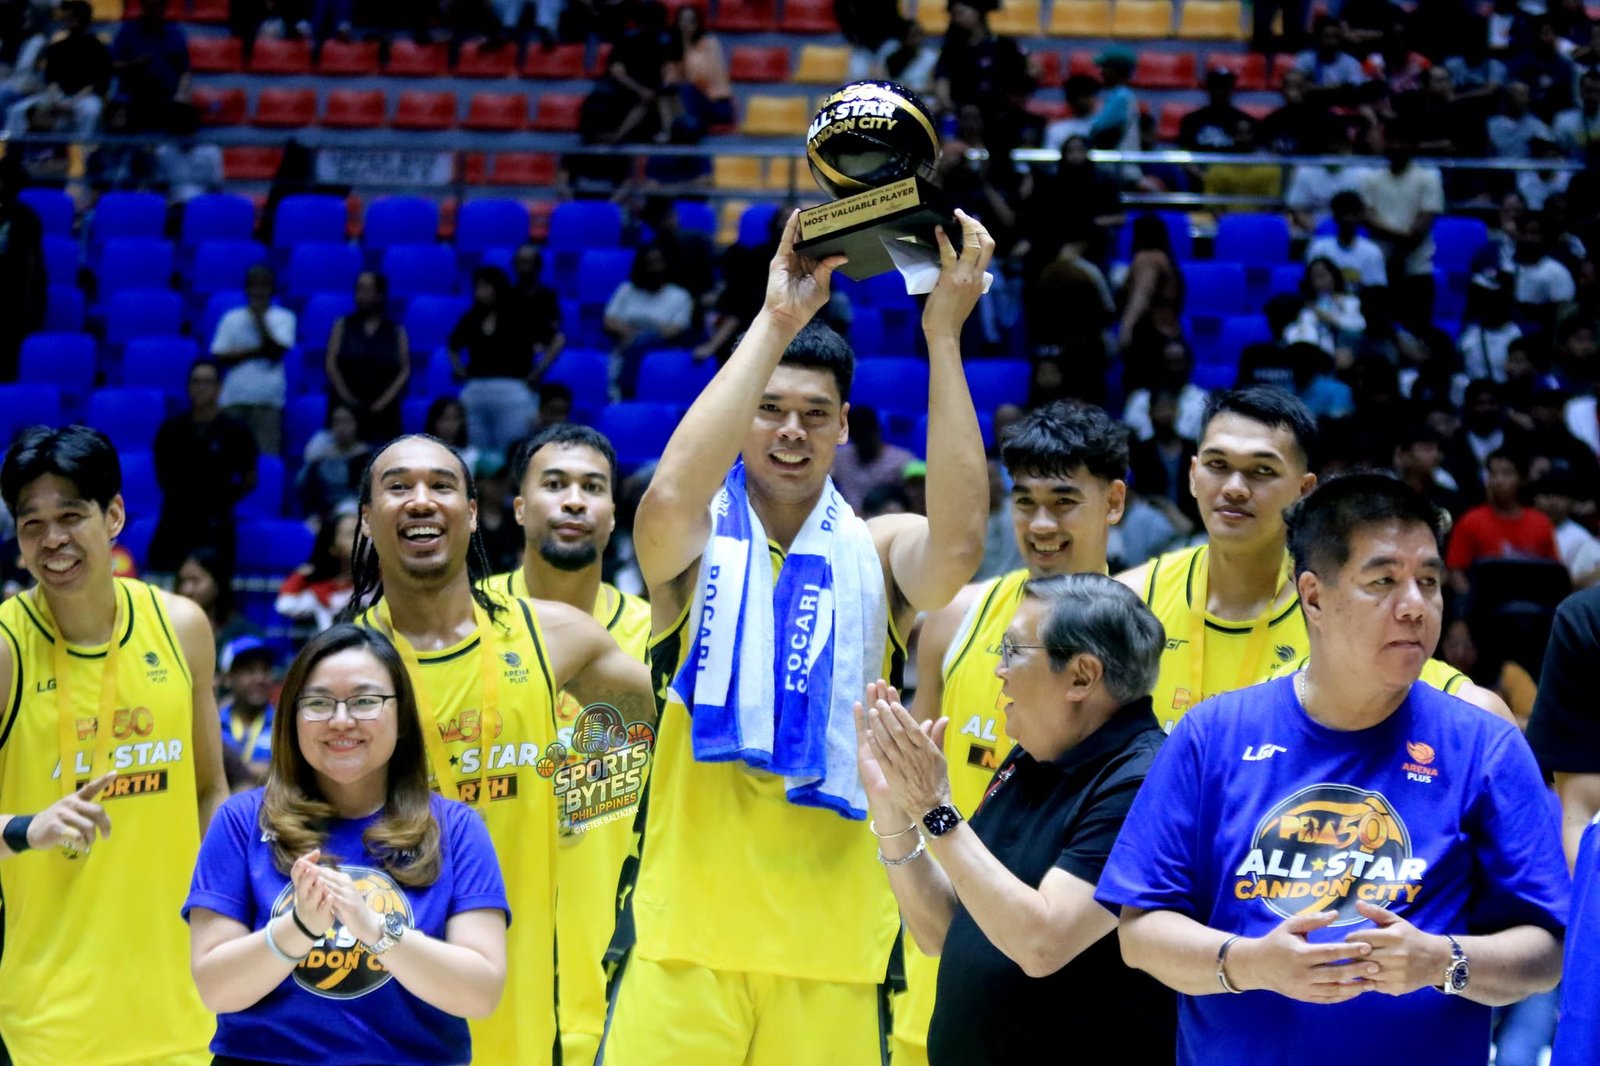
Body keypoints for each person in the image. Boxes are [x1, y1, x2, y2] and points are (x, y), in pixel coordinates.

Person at [601, 209, 993, 1065]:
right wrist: (777, 319)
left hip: (834, 950)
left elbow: (960, 547)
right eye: (770, 408)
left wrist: (944, 338)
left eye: (815, 414)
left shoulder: (879, 552)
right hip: (683, 945)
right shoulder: (692, 548)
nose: (790, 431)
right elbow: (666, 501)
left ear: (844, 425)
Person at [1097, 473, 1569, 1066]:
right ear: (1314, 597)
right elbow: (1140, 932)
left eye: (1428, 581)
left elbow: (1546, 951)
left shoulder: (1485, 745)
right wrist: (1249, 964)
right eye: (1384, 581)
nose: (1415, 606)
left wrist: (1441, 961)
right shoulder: (1212, 734)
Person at [341, 431, 654, 1064]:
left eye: (441, 485)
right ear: (367, 519)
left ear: (472, 512)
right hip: (395, 1001)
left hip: (547, 997)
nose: (421, 500)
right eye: (399, 487)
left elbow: (687, 732)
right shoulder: (341, 666)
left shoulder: (556, 637)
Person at [889, 401, 1131, 1066]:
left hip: (1075, 989)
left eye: (1064, 501)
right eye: (1025, 502)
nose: (1042, 524)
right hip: (943, 971)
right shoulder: (955, 621)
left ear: (1113, 502)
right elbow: (909, 788)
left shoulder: (1141, 642)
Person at [860, 574, 1174, 1066]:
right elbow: (942, 928)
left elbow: (1042, 943)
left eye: (1013, 651)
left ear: (1082, 676)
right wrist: (892, 806)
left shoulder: (1144, 782)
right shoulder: (1032, 755)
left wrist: (935, 810)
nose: (999, 670)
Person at [0, 425, 228, 1064]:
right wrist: (27, 828)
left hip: (184, 1011)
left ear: (115, 515)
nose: (53, 540)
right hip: (48, 1021)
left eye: (71, 516)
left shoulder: (181, 627)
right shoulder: (6, 650)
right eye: (32, 524)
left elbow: (208, 789)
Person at [185, 624, 511, 1066]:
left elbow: (481, 992)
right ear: (292, 717)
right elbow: (215, 988)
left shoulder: (456, 828)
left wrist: (376, 930)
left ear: (401, 716)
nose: (341, 720)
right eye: (319, 703)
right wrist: (299, 927)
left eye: (364, 701)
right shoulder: (241, 821)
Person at [1117, 387, 1516, 729]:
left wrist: (1481, 706)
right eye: (1217, 465)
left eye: (1262, 471)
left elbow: (1434, 688)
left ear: (1305, 490)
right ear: (1192, 475)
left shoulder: (1336, 603)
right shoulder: (1129, 602)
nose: (1235, 488)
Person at [487, 423, 651, 1064]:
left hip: (616, 967)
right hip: (484, 960)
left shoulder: (657, 637)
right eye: (554, 484)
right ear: (519, 507)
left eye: (592, 487)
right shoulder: (464, 622)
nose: (574, 500)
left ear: (613, 514)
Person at [151, 358, 260, 575]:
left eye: (207, 382)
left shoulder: (236, 432)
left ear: (219, 388)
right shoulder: (170, 430)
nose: (200, 388)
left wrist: (224, 497)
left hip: (216, 525)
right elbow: (162, 475)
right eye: (195, 381)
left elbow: (249, 478)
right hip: (174, 522)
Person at [1445, 448, 1562, 589]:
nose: (1498, 480)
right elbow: (1455, 571)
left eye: (1507, 474)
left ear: (1522, 479)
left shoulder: (1541, 523)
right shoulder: (1470, 521)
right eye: (1493, 474)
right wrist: (1469, 597)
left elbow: (1553, 571)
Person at [449, 266, 535, 458]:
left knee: (511, 451)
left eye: (485, 286)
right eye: (477, 287)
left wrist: (537, 372)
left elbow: (556, 339)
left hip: (511, 389)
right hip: (476, 388)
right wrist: (459, 369)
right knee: (476, 453)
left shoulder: (519, 314)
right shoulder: (471, 317)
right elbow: (452, 345)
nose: (480, 292)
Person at [213, 265, 298, 457]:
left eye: (264, 285)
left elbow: (275, 352)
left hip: (268, 401)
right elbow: (221, 356)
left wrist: (260, 321)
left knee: (265, 460)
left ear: (272, 288)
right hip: (233, 399)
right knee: (230, 458)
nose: (258, 291)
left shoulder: (285, 317)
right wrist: (259, 351)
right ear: (246, 288)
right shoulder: (230, 318)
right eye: (253, 285)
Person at [326, 271, 410, 447]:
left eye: (366, 290)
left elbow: (404, 370)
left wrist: (383, 402)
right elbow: (331, 363)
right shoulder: (342, 325)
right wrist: (346, 397)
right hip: (346, 405)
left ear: (380, 294)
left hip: (385, 408)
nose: (360, 295)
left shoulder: (396, 331)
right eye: (358, 290)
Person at [4, 0, 107, 138]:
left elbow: (96, 83)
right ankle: (14, 149)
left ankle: (80, 149)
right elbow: (51, 79)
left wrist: (72, 102)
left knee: (91, 110)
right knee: (17, 110)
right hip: (56, 95)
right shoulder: (56, 47)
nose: (68, 22)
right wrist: (57, 98)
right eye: (67, 18)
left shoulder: (98, 48)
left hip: (84, 97)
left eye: (73, 18)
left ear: (84, 19)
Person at [603, 244, 694, 401]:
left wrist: (639, 336)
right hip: (623, 346)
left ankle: (628, 392)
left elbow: (675, 330)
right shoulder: (626, 290)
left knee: (641, 343)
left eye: (659, 263)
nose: (654, 269)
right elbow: (609, 320)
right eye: (650, 263)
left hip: (659, 351)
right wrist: (630, 334)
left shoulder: (680, 296)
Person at [109, 0, 190, 133]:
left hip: (167, 97)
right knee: (116, 122)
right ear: (144, 6)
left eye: (159, 6)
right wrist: (132, 65)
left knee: (186, 119)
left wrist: (181, 94)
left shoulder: (175, 33)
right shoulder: (127, 31)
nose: (155, 10)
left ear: (164, 8)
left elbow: (185, 71)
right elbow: (112, 65)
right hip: (134, 97)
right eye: (151, 6)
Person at [275, 508, 358, 631]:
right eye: (352, 534)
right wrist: (301, 575)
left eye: (366, 531)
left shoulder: (381, 582)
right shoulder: (319, 592)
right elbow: (284, 605)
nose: (363, 538)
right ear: (332, 547)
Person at [178, 544, 262, 658]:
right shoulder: (171, 629)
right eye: (182, 581)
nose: (186, 590)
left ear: (218, 582)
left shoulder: (243, 633)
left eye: (195, 580)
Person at [217, 634, 279, 782]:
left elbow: (289, 776)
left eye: (265, 670)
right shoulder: (213, 725)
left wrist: (232, 771)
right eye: (249, 671)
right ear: (228, 678)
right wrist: (261, 770)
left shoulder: (284, 725)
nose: (259, 678)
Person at [831, 406, 916, 514]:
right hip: (846, 519)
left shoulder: (902, 460)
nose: (863, 443)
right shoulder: (839, 458)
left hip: (885, 519)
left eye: (866, 436)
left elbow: (915, 498)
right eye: (858, 438)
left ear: (878, 430)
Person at [1304, 191, 1389, 290]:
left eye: (1352, 214)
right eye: (1343, 214)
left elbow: (1377, 289)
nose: (1348, 219)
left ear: (1360, 216)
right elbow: (1311, 286)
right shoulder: (1319, 248)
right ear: (1335, 217)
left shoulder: (1372, 252)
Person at [296, 403, 369, 517]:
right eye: (336, 422)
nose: (341, 428)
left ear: (357, 424)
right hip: (324, 513)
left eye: (346, 421)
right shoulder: (321, 457)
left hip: (355, 512)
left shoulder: (369, 457)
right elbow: (303, 488)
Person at [509, 243, 565, 384]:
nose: (524, 267)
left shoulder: (548, 296)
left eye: (529, 262)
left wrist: (540, 345)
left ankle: (536, 374)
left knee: (560, 339)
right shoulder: (506, 295)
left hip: (541, 344)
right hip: (514, 344)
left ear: (537, 266)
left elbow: (553, 327)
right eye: (520, 262)